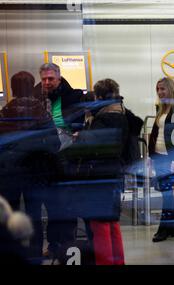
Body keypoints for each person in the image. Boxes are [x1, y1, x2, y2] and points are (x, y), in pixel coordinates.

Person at [0, 71, 55, 259]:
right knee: (35, 215)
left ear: (12, 88)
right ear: (32, 87)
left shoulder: (4, 112)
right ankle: (35, 253)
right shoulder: (42, 113)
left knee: (10, 215)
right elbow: (54, 144)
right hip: (35, 173)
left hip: (9, 174)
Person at [36, 63, 83, 258]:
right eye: (44, 79)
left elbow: (79, 124)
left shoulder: (73, 96)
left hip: (66, 158)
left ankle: (66, 247)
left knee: (65, 206)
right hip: (44, 161)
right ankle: (54, 245)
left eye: (51, 79)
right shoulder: (36, 97)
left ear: (59, 78)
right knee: (50, 206)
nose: (47, 82)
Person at [82, 78, 128, 265]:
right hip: (116, 173)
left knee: (99, 224)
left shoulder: (101, 119)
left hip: (100, 175)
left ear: (99, 97)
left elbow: (92, 148)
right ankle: (119, 261)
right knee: (112, 222)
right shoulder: (123, 116)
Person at [148, 77, 174, 242]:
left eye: (163, 89)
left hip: (171, 157)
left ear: (170, 89)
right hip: (158, 156)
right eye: (158, 89)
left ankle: (163, 229)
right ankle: (173, 228)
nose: (160, 92)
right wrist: (151, 156)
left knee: (167, 193)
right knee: (166, 193)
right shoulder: (161, 108)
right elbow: (156, 133)